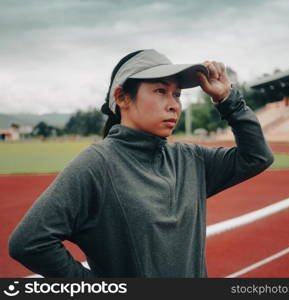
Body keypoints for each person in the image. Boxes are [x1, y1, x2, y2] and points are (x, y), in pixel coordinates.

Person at [8, 49, 274, 277]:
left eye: (177, 94)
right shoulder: (97, 164)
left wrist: (229, 101)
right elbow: (29, 243)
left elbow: (256, 157)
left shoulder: (191, 160)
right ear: (123, 97)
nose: (173, 105)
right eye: (160, 91)